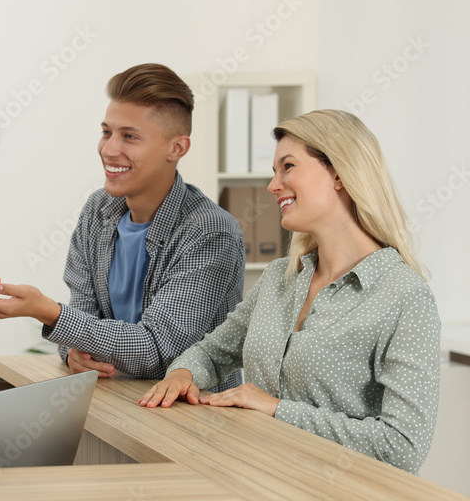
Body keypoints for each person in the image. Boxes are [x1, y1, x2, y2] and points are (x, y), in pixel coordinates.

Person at [139, 109, 440, 475]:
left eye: (288, 167)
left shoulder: (402, 295)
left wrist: (275, 408)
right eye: (274, 171)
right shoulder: (281, 276)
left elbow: (403, 447)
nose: (273, 185)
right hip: (262, 482)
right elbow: (213, 353)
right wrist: (183, 374)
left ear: (340, 174)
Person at [0, 64, 243, 391]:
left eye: (129, 136)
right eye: (106, 132)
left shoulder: (210, 233)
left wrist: (48, 312)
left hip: (193, 423)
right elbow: (83, 317)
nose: (109, 149)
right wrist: (73, 352)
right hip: (114, 403)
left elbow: (158, 351)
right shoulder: (98, 211)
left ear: (177, 149)